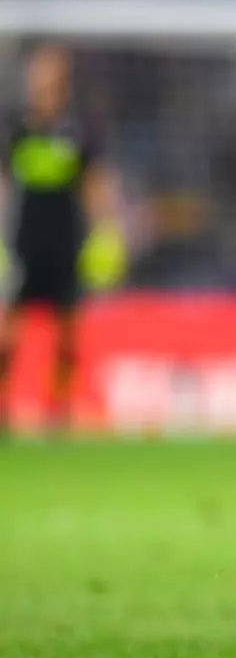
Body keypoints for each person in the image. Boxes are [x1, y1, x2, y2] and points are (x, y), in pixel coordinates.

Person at [0, 44, 117, 435]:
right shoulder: (16, 129)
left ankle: (60, 409)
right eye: (38, 73)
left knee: (67, 328)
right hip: (24, 242)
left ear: (63, 81)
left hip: (66, 242)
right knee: (9, 328)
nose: (42, 82)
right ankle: (4, 407)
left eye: (49, 74)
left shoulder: (78, 131)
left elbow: (94, 186)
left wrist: (104, 234)